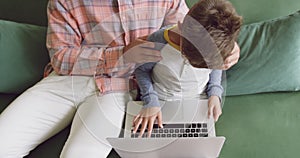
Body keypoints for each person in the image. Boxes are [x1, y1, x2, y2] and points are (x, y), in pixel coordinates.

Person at [0, 0, 240, 158]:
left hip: (118, 90)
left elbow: (191, 33)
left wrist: (226, 46)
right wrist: (120, 55)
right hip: (66, 81)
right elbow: (61, 57)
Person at [133, 0, 242, 137]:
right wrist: (150, 101)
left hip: (198, 101)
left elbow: (216, 66)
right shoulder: (158, 41)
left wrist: (215, 93)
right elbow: (141, 70)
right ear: (180, 26)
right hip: (160, 100)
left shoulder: (216, 48)